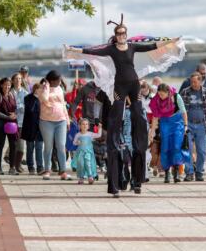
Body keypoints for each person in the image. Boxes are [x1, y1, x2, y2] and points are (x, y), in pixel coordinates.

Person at [65, 17, 183, 196]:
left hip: (134, 84)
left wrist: (171, 41)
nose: (121, 36)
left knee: (138, 115)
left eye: (124, 33)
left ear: (126, 34)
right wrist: (75, 50)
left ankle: (138, 177)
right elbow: (92, 51)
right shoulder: (111, 49)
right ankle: (114, 154)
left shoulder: (132, 46)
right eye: (119, 33)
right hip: (120, 86)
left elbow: (152, 46)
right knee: (116, 117)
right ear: (116, 36)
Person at [149, 83, 188, 183]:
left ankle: (176, 173)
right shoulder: (157, 99)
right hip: (165, 123)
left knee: (176, 147)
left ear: (168, 93)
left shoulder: (176, 96)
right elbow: (155, 116)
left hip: (177, 123)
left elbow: (183, 111)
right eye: (159, 94)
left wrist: (186, 126)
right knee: (165, 148)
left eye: (162, 94)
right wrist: (152, 131)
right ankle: (167, 173)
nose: (160, 97)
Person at [39, 70, 72, 180]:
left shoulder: (59, 89)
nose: (60, 81)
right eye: (58, 80)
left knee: (61, 146)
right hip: (46, 121)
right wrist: (47, 86)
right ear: (52, 80)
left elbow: (63, 104)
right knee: (48, 146)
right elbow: (44, 99)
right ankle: (47, 170)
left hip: (61, 121)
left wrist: (67, 120)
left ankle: (62, 171)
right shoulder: (43, 88)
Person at [180, 72, 206, 182]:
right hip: (188, 124)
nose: (193, 84)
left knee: (202, 151)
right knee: (187, 149)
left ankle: (199, 172)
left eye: (195, 81)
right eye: (192, 82)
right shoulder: (185, 92)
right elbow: (180, 110)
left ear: (200, 81)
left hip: (201, 125)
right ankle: (189, 172)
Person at [0, 77, 19, 175]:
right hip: (1, 123)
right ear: (1, 85)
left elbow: (15, 108)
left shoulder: (11, 94)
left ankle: (12, 168)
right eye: (5, 85)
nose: (7, 87)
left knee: (13, 145)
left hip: (12, 124)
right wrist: (9, 117)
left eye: (9, 85)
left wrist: (15, 114)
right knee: (1, 145)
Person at [21, 83, 44, 175]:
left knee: (39, 147)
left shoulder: (43, 99)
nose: (40, 91)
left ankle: (40, 167)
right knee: (30, 148)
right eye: (38, 89)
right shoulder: (27, 98)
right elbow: (27, 111)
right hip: (29, 127)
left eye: (41, 89)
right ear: (34, 89)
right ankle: (31, 167)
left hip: (40, 127)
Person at [73, 118, 102, 184]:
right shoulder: (78, 135)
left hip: (88, 152)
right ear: (79, 126)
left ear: (88, 126)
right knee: (81, 164)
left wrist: (99, 128)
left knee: (88, 164)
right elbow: (74, 142)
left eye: (86, 124)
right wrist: (77, 142)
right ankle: (81, 177)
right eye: (83, 124)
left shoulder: (90, 134)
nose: (85, 125)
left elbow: (98, 135)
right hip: (80, 153)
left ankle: (90, 176)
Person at [11, 73, 29, 173]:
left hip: (22, 123)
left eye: (19, 79)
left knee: (21, 147)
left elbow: (26, 107)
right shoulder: (9, 92)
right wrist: (20, 107)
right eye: (16, 79)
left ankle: (17, 165)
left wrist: (18, 107)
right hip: (11, 123)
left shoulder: (25, 93)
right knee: (13, 145)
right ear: (12, 80)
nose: (18, 80)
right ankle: (13, 167)